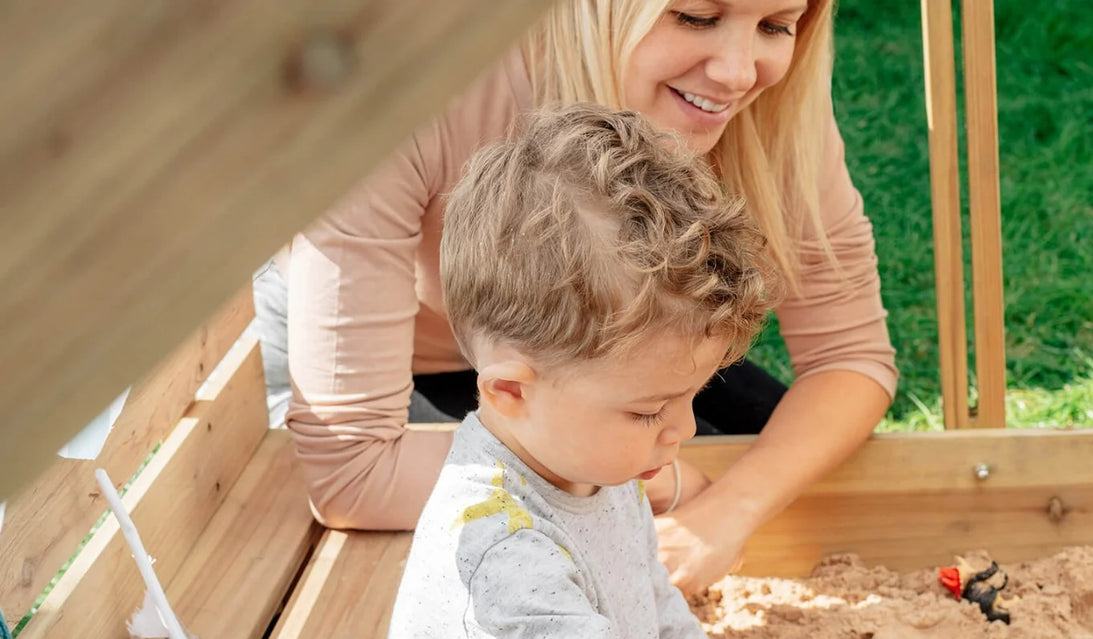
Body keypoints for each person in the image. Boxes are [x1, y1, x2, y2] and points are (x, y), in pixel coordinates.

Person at [372, 103, 1008, 639]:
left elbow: (659, 622)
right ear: (510, 390)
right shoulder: (497, 550)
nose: (680, 430)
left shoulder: (592, 459)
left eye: (689, 397)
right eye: (648, 408)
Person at [262, 0, 897, 593]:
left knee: (777, 464)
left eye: (776, 25)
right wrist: (656, 484)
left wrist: (727, 511)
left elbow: (850, 358)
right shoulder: (419, 91)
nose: (738, 73)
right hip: (407, 370)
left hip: (612, 352)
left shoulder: (769, 111)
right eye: (695, 15)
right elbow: (354, 472)